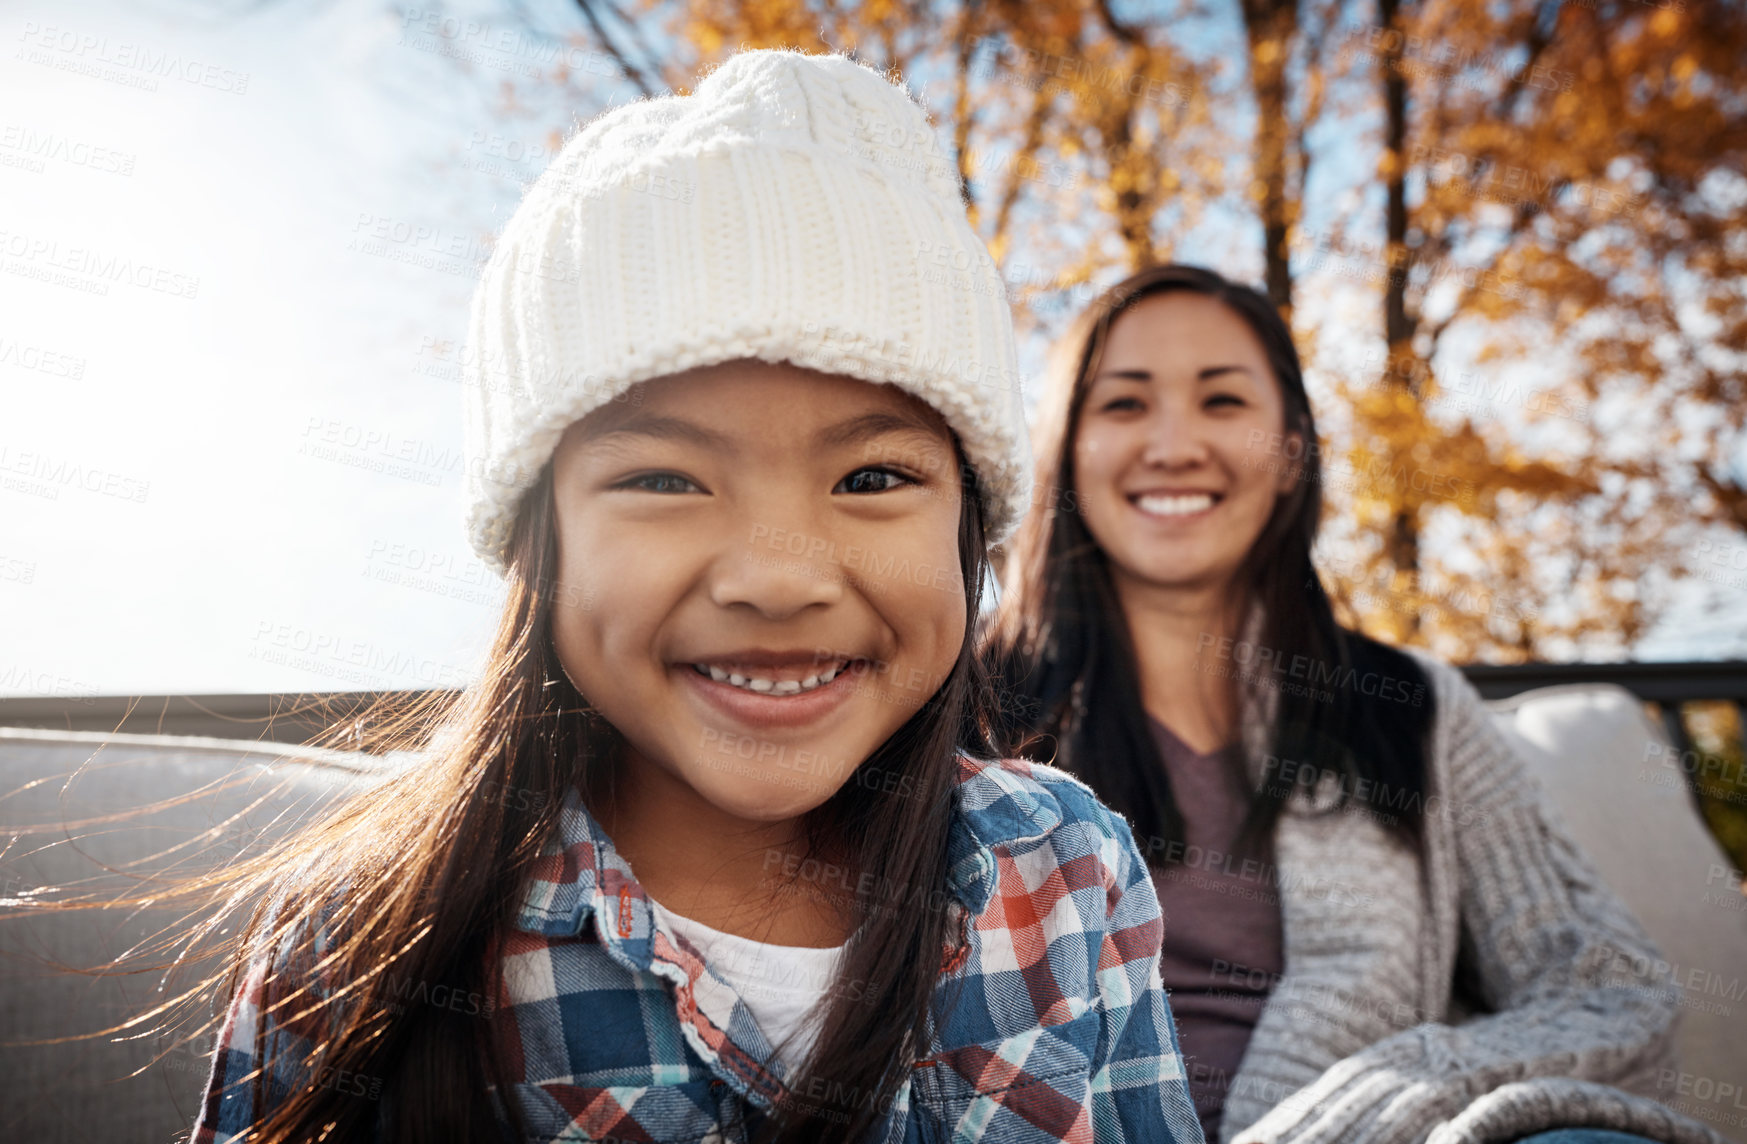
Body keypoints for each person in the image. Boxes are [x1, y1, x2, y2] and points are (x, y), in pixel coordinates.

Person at [187, 50, 1205, 1144]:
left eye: (872, 478)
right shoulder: (359, 929)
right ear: (541, 538)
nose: (776, 577)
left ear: (967, 522)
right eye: (663, 480)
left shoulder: (1064, 866)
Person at [980, 264, 1728, 1144]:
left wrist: (1401, 1084)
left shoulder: (1406, 706)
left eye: (1222, 402)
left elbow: (1608, 992)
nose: (1174, 443)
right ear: (1064, 447)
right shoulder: (966, 708)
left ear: (1291, 449)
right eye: (1123, 404)